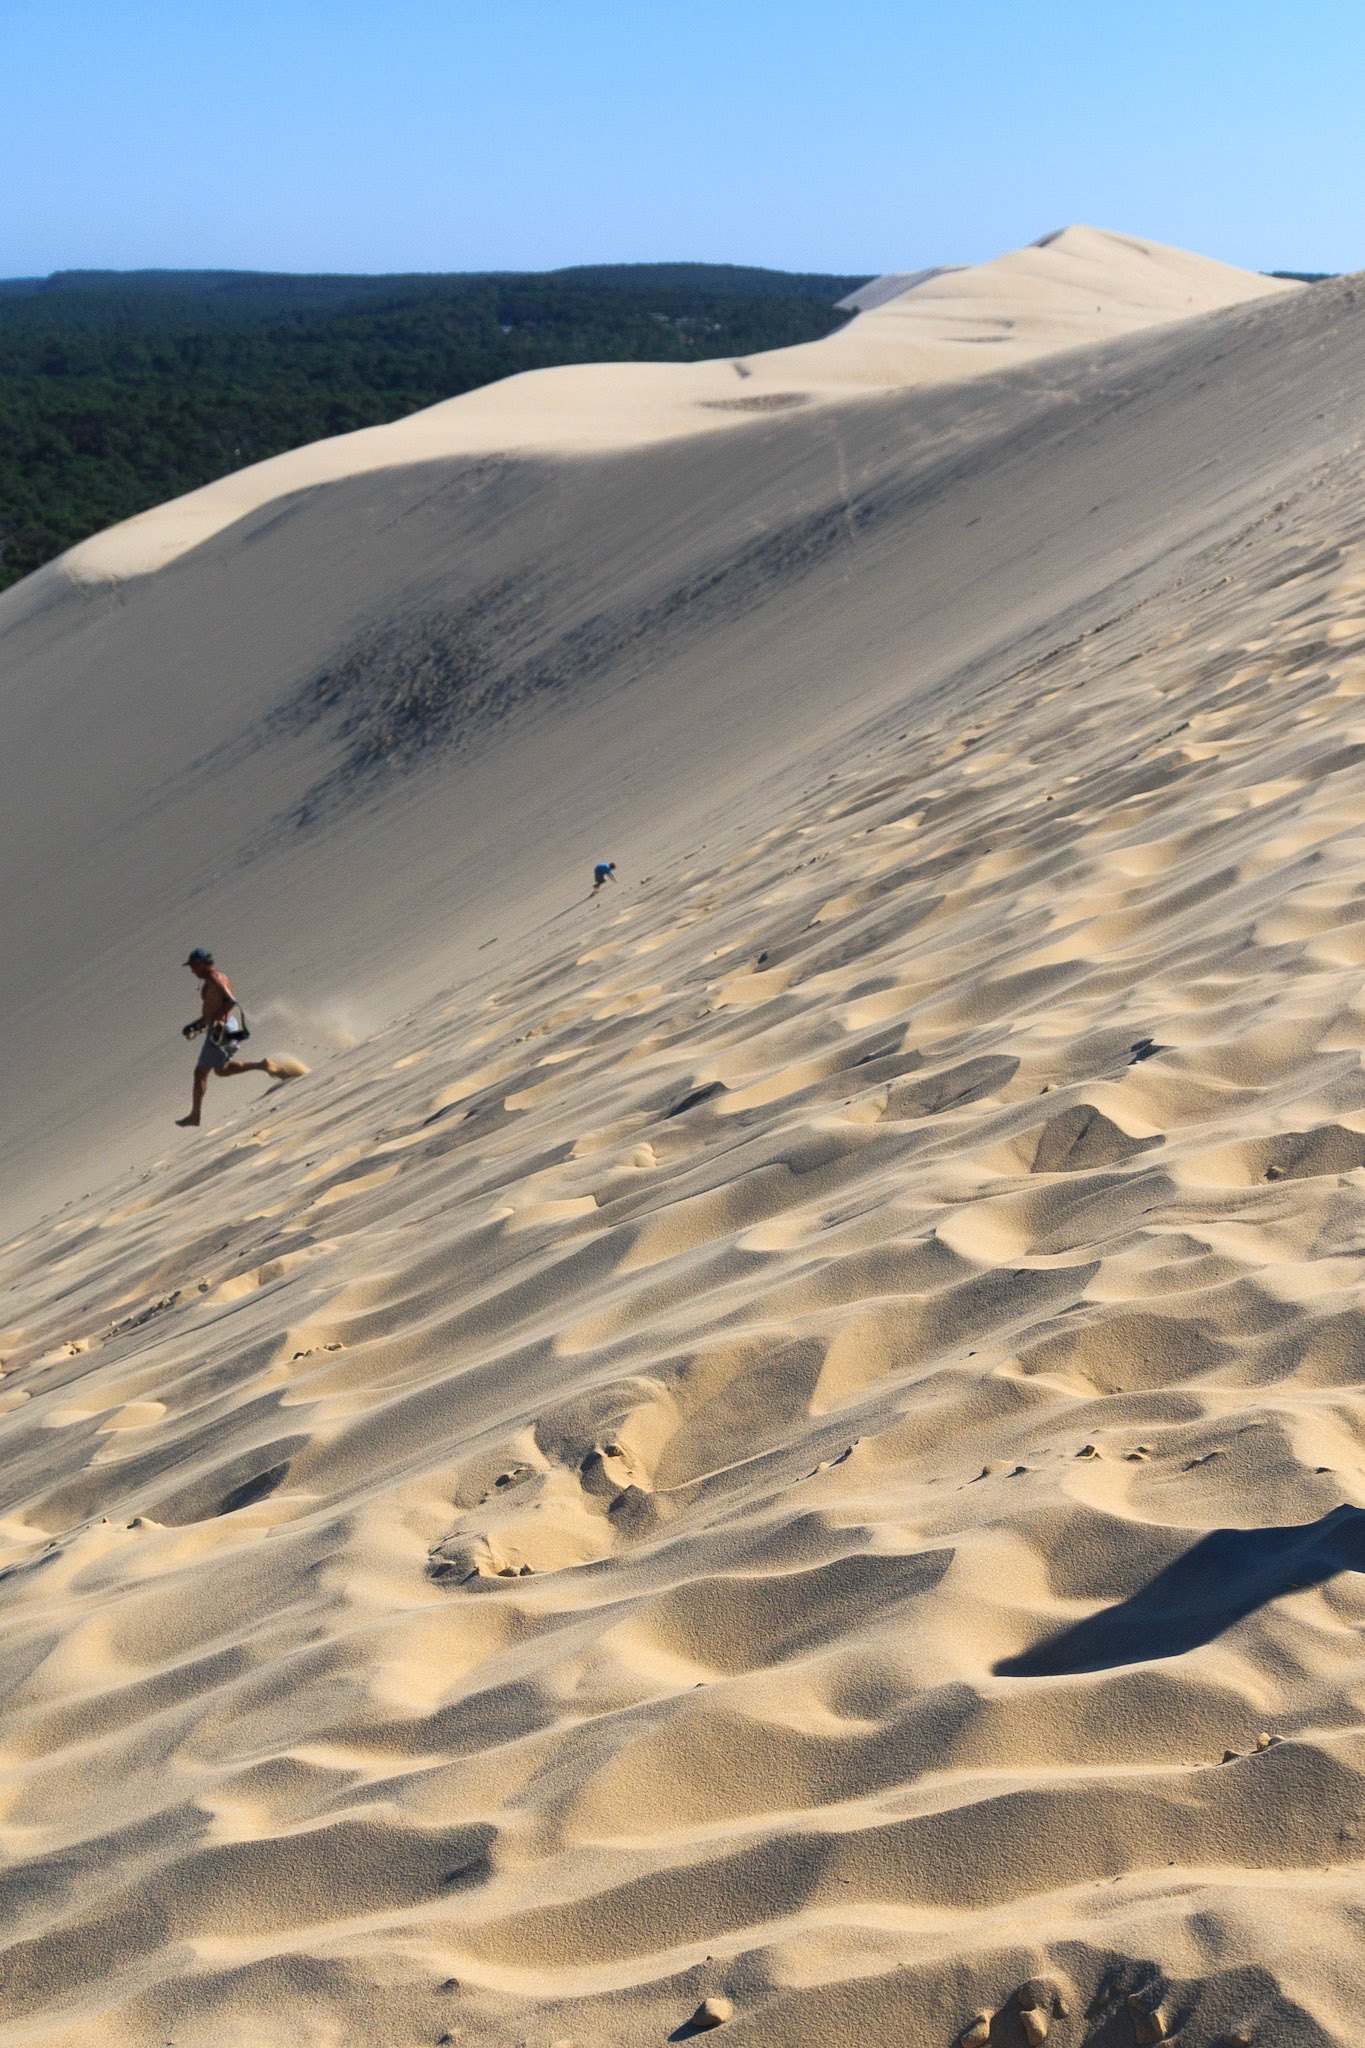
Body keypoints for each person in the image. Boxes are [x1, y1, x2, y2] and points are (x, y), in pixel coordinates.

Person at [177, 948, 286, 1127]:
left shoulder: (214, 979)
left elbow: (230, 1001)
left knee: (200, 1072)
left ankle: (195, 1115)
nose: (192, 970)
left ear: (204, 963)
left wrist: (217, 1021)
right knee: (222, 1070)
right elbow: (213, 1009)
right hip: (222, 1027)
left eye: (195, 965)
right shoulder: (213, 979)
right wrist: (196, 1025)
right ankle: (262, 1065)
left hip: (222, 1029)